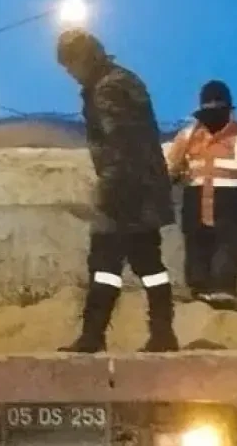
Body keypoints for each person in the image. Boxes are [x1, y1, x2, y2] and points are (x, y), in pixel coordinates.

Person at [56, 29, 178, 353]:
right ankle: (163, 334)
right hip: (144, 191)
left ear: (84, 57)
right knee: (148, 265)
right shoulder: (120, 80)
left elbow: (120, 145)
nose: (71, 74)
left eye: (71, 66)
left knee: (105, 263)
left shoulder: (107, 88)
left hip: (127, 191)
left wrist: (108, 193)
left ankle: (93, 336)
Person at [165, 81, 237, 306]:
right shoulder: (188, 136)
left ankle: (223, 289)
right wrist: (170, 178)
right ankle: (198, 288)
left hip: (229, 199)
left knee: (227, 242)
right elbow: (172, 164)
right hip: (195, 197)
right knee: (196, 242)